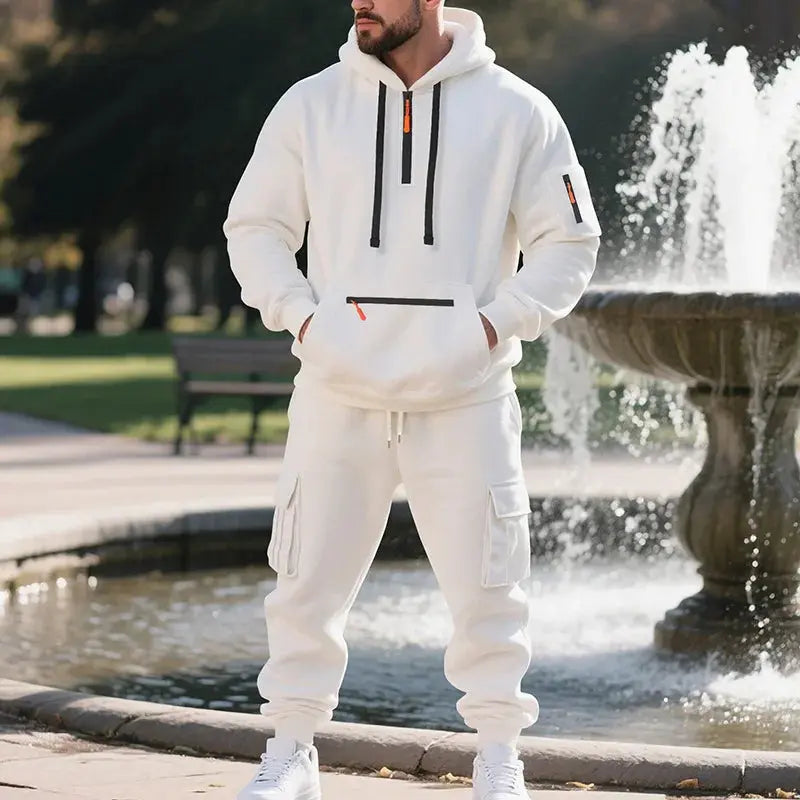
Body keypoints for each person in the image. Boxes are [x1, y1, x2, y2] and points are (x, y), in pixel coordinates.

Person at [223, 1, 601, 797]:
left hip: (466, 396)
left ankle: (498, 759)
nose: (361, 3)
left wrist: (494, 326)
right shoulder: (309, 104)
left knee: (492, 590)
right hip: (335, 389)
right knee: (303, 584)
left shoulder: (517, 111)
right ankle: (291, 752)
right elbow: (253, 227)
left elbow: (570, 242)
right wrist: (303, 318)